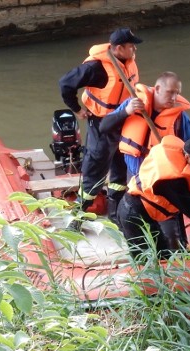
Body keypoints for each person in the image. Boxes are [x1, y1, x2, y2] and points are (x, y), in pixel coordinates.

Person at [58, 27, 143, 215]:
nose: (135, 50)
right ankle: (78, 216)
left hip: (125, 120)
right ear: (118, 48)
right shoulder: (95, 68)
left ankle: (115, 215)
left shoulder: (127, 62)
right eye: (132, 46)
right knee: (95, 172)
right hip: (101, 125)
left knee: (120, 170)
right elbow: (65, 83)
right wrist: (77, 109)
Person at [117, 135, 190, 258]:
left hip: (138, 206)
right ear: (188, 157)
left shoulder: (177, 151)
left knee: (162, 249)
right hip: (134, 215)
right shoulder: (174, 180)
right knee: (150, 257)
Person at [100, 71, 190, 177]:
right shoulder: (133, 103)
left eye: (177, 93)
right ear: (158, 89)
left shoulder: (180, 117)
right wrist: (126, 111)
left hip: (160, 174)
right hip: (133, 173)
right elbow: (103, 127)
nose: (173, 98)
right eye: (170, 92)